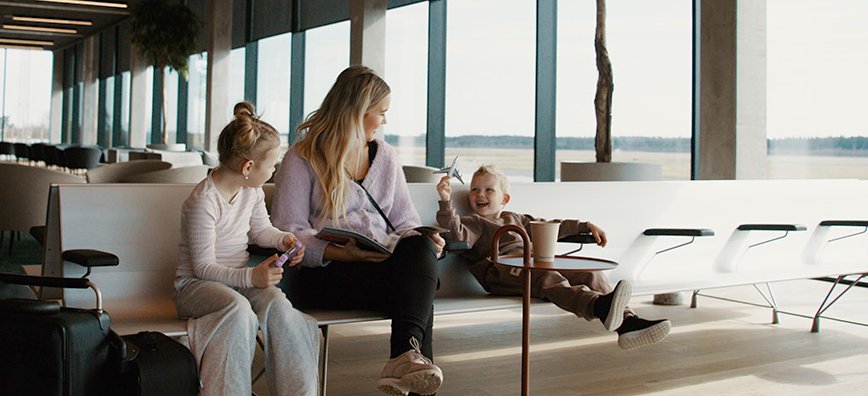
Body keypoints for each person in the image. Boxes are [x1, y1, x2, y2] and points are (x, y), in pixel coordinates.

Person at [272, 65, 445, 396]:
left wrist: (426, 240)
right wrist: (338, 252)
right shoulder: (301, 158)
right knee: (420, 293)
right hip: (325, 275)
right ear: (356, 112)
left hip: (378, 268)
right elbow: (287, 232)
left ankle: (404, 356)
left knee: (420, 247)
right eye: (381, 112)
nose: (384, 121)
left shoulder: (386, 157)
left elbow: (405, 222)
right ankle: (404, 357)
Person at [436, 164, 671, 350]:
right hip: (500, 272)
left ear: (504, 199)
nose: (480, 194)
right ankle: (597, 305)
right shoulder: (474, 222)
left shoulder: (515, 218)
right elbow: (455, 234)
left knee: (591, 273)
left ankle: (627, 323)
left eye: (488, 190)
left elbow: (549, 226)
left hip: (529, 263)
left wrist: (584, 226)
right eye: (475, 190)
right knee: (546, 277)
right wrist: (446, 201)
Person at [173, 109, 320, 396]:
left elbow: (261, 231)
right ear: (248, 167)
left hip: (238, 284)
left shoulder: (251, 192)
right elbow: (202, 268)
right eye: (272, 164)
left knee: (278, 304)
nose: (274, 170)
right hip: (194, 287)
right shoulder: (204, 201)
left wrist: (284, 240)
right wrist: (252, 277)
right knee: (238, 310)